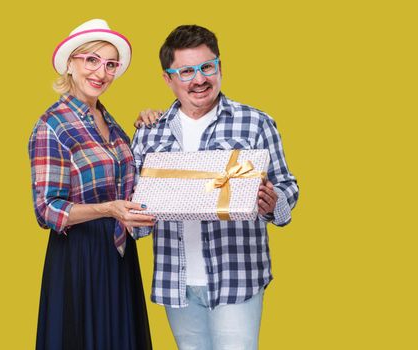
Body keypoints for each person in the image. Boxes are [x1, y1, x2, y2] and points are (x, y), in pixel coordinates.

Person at [131, 25, 299, 350]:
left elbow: (287, 188)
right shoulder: (149, 133)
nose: (199, 79)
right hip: (176, 281)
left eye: (207, 67)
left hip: (238, 278)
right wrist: (135, 220)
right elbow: (135, 210)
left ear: (219, 67)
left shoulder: (255, 122)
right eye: (186, 71)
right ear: (168, 78)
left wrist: (273, 203)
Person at [28, 19, 154, 350]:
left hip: (120, 255)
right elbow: (47, 209)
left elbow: (133, 183)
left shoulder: (113, 125)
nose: (102, 72)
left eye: (110, 64)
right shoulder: (52, 126)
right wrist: (108, 209)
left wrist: (150, 127)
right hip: (79, 260)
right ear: (70, 64)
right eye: (91, 60)